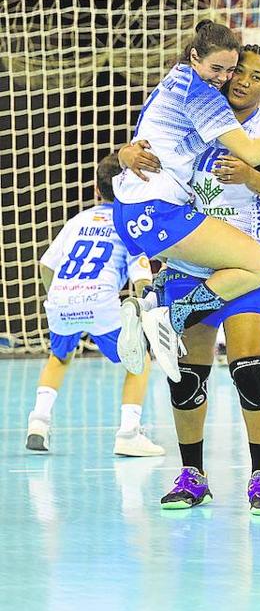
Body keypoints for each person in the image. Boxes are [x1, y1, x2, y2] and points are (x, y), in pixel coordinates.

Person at [119, 45, 260, 514]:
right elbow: (140, 155)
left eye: (257, 75)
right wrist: (123, 153)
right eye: (237, 71)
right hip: (189, 263)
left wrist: (252, 177)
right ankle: (192, 474)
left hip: (248, 267)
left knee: (251, 373)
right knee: (186, 376)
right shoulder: (197, 115)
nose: (243, 80)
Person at [111, 20, 260, 383]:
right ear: (194, 57)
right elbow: (248, 148)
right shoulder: (202, 95)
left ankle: (150, 303)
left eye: (234, 71)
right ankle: (170, 317)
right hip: (159, 212)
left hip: (140, 212)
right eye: (224, 70)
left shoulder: (178, 78)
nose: (229, 78)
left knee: (215, 275)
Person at [25, 153, 159, 458]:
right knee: (138, 360)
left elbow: (47, 265)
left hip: (61, 296)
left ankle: (38, 422)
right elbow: (141, 280)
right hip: (100, 300)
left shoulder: (78, 220)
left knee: (59, 357)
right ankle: (129, 432)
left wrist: (58, 297)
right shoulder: (129, 224)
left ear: (96, 190)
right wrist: (145, 314)